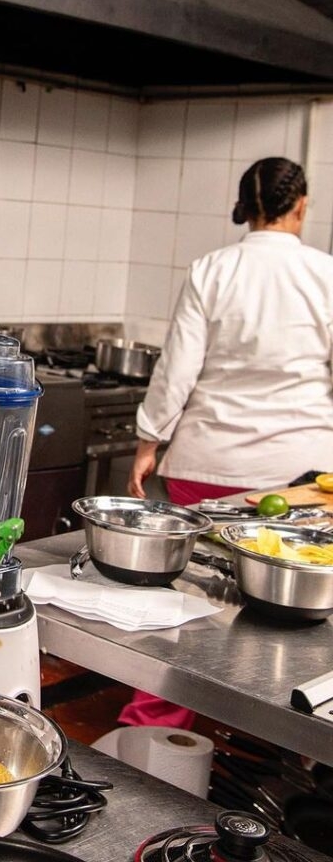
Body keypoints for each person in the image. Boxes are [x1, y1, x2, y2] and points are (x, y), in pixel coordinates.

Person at [123, 155, 333, 728]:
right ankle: (281, 734)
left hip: (206, 464)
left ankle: (151, 727)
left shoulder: (213, 269)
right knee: (292, 618)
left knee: (192, 611)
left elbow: (177, 370)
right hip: (300, 479)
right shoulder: (326, 274)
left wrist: (149, 441)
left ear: (245, 206)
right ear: (302, 204)